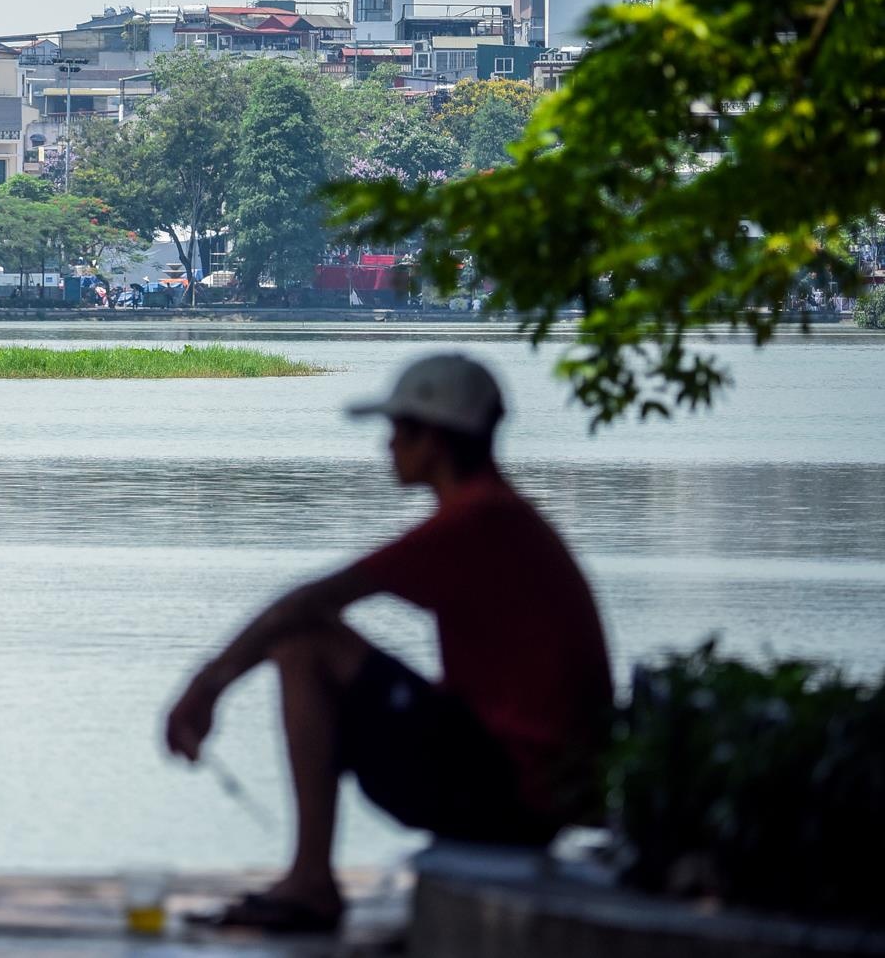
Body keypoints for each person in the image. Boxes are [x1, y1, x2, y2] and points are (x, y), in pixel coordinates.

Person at [163, 354, 612, 934]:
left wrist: (206, 687)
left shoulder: (479, 521)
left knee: (303, 644)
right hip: (529, 788)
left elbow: (306, 604)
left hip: (515, 795)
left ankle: (310, 882)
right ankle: (310, 877)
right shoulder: (498, 515)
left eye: (400, 430)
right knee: (307, 639)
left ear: (436, 440)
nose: (388, 445)